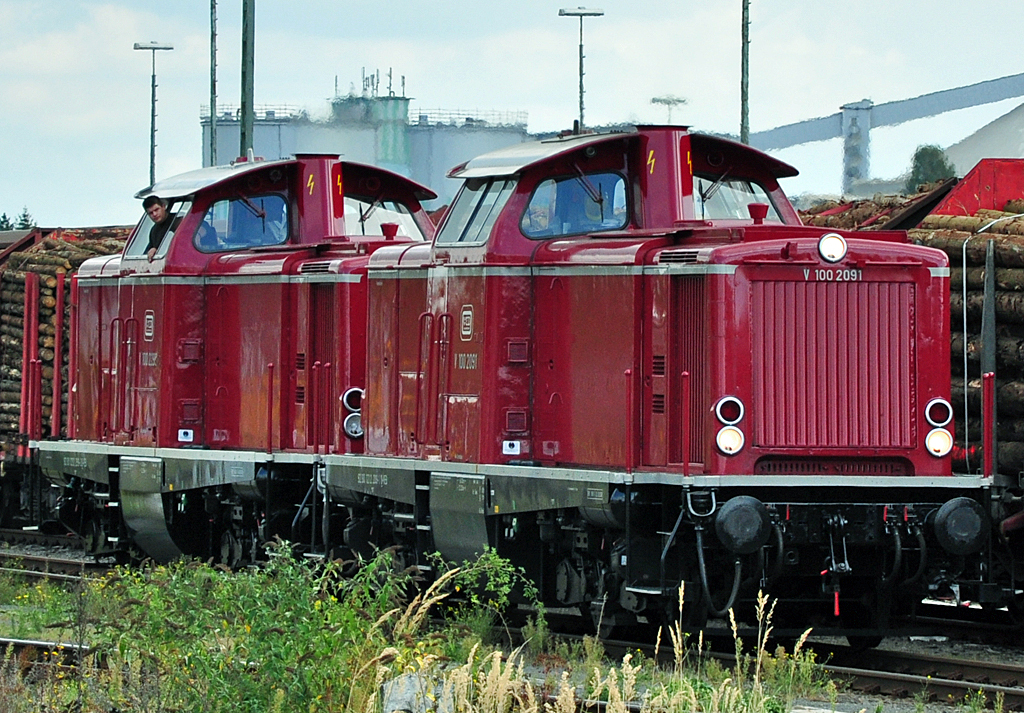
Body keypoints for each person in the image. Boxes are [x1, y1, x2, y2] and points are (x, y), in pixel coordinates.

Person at [142, 195, 174, 261]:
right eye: (151, 213)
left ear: (163, 206)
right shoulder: (154, 231)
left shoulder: (178, 221)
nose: (154, 214)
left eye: (156, 210)